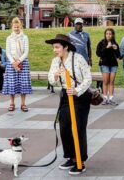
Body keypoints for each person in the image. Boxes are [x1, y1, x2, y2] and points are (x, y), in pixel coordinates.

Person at [47, 34, 92, 176]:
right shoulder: (55, 61)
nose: (55, 50)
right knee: (65, 127)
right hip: (66, 96)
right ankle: (71, 157)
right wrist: (55, 76)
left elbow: (88, 78)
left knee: (78, 128)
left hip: (81, 96)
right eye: (54, 47)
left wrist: (77, 90)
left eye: (57, 47)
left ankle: (80, 161)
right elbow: (51, 80)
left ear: (65, 47)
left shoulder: (77, 58)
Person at [2, 17, 32, 112]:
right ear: (12, 27)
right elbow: (8, 52)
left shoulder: (25, 37)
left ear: (20, 27)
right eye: (15, 27)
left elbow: (26, 51)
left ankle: (23, 104)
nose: (16, 29)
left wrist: (19, 61)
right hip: (12, 63)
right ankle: (12, 103)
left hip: (23, 62)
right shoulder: (9, 38)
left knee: (23, 83)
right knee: (12, 83)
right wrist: (13, 62)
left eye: (18, 27)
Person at [96, 28, 120, 106]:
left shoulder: (115, 43)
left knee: (111, 82)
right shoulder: (102, 43)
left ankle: (111, 99)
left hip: (113, 65)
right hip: (104, 64)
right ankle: (105, 99)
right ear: (105, 34)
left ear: (112, 35)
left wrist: (116, 49)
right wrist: (106, 48)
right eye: (107, 34)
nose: (108, 35)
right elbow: (99, 54)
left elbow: (118, 56)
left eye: (110, 34)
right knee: (105, 81)